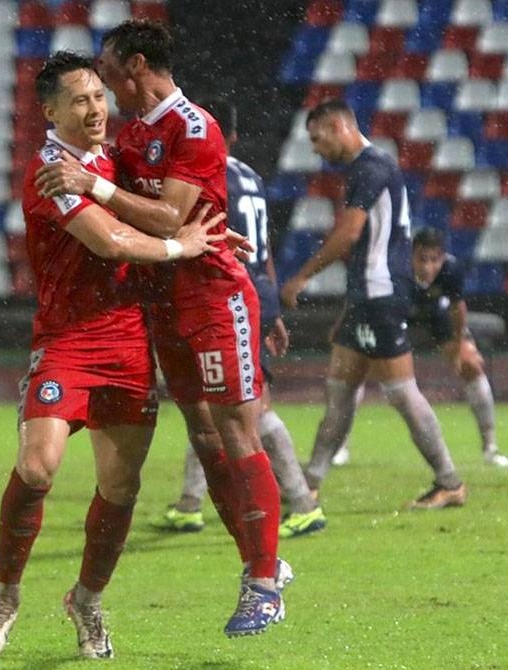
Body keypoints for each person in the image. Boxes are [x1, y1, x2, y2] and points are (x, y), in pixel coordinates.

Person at [0, 51, 239, 661]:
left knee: (121, 488)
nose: (96, 108)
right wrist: (179, 246)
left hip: (128, 343)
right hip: (66, 342)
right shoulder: (51, 170)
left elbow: (161, 209)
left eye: (98, 96)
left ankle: (87, 601)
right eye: (80, 100)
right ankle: (7, 595)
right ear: (50, 111)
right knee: (38, 469)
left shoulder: (113, 162)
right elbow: (109, 236)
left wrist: (214, 243)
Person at [36, 21, 288, 637]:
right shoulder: (137, 134)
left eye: (107, 73)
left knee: (236, 429)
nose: (101, 88)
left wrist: (92, 183)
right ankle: (262, 562)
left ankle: (262, 583)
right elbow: (138, 213)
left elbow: (173, 216)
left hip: (211, 296)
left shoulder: (194, 127)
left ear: (137, 65)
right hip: (164, 300)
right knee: (204, 439)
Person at [279, 98, 467, 510]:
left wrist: (302, 276)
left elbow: (349, 235)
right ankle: (308, 484)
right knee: (340, 391)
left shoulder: (369, 167)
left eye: (317, 138)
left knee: (401, 392)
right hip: (367, 295)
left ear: (338, 126)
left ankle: (449, 481)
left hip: (380, 294)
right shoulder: (374, 166)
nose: (315, 148)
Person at [150, 105, 327, 540]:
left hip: (226, 294)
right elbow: (260, 246)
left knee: (252, 408)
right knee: (211, 402)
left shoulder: (205, 174)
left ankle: (303, 502)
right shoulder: (250, 175)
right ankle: (191, 502)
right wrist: (271, 307)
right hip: (253, 289)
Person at [329, 228, 508, 468]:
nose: (428, 267)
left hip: (436, 316)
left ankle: (490, 447)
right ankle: (340, 446)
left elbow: (458, 309)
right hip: (393, 316)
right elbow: (358, 297)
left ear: (442, 258)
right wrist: (341, 325)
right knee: (355, 371)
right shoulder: (394, 269)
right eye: (422, 259)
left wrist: (459, 347)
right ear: (410, 255)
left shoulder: (451, 270)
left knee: (471, 364)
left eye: (434, 259)